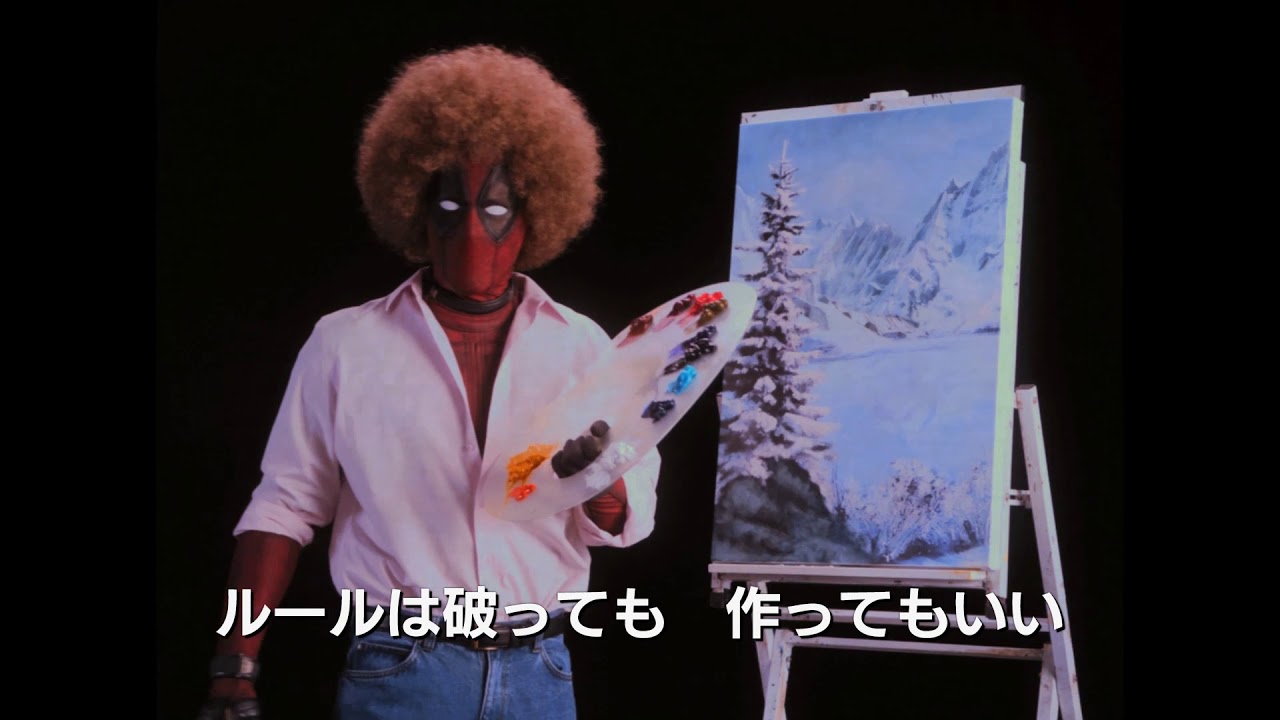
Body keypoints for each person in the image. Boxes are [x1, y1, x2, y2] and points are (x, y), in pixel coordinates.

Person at [196, 44, 662, 720]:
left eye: (495, 209)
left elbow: (626, 516)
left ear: (536, 210)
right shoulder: (345, 343)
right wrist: (234, 668)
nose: (470, 230)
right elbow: (284, 506)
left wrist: (601, 482)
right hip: (401, 669)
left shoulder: (585, 346)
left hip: (540, 670)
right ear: (413, 206)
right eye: (448, 205)